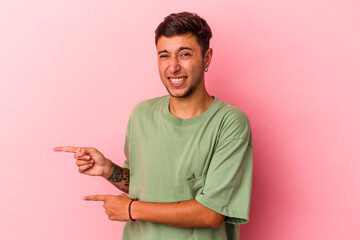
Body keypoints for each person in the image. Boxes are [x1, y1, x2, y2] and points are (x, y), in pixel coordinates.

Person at [54, 12, 253, 240]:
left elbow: (211, 213)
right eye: (164, 56)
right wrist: (108, 170)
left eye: (185, 54)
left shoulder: (229, 122)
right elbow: (142, 186)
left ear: (206, 58)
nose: (173, 67)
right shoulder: (142, 114)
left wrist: (130, 210)